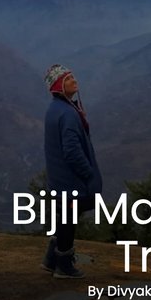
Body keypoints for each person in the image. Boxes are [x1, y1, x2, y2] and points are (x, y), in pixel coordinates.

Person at [42, 64, 102, 278]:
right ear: (59, 86)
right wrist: (88, 173)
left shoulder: (55, 109)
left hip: (59, 178)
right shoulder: (67, 114)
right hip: (70, 181)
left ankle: (51, 260)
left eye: (73, 76)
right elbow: (72, 152)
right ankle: (64, 265)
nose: (74, 80)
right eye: (68, 79)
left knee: (65, 217)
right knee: (69, 219)